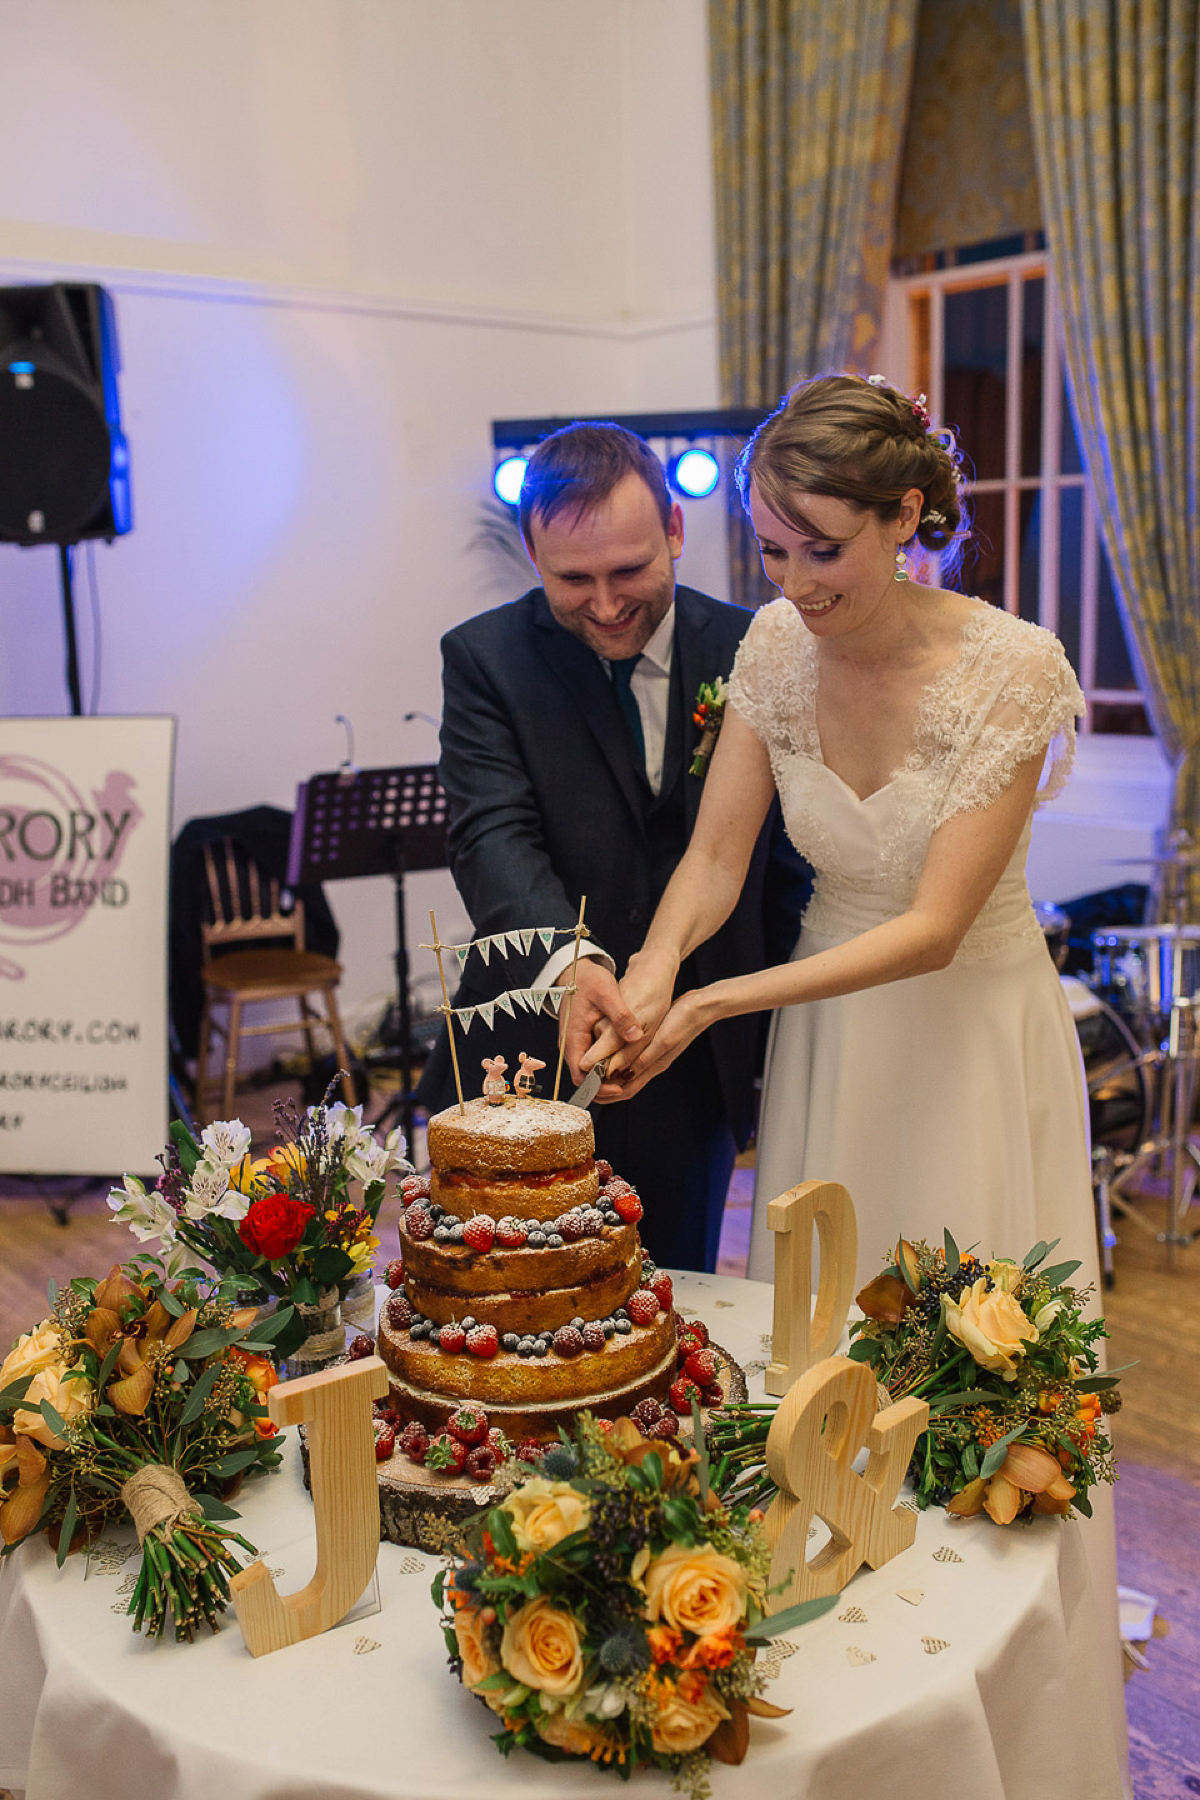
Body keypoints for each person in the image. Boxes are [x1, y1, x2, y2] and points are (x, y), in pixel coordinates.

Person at [582, 374, 1099, 1301]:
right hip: (833, 1029)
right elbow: (713, 858)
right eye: (773, 552)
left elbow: (935, 929)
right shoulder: (774, 646)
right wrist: (655, 969)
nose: (794, 585)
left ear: (904, 517)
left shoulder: (1013, 669)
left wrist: (707, 1004)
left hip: (970, 1023)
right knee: (825, 1313)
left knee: (969, 1325)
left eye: (824, 551)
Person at [416, 422, 811, 1271]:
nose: (604, 604)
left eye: (629, 570)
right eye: (573, 579)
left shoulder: (758, 647)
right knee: (505, 1303)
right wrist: (571, 962)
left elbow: (787, 864)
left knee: (675, 1297)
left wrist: (779, 1038)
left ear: (674, 529)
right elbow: (492, 833)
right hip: (522, 1045)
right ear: (531, 552)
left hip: (696, 1048)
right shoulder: (484, 659)